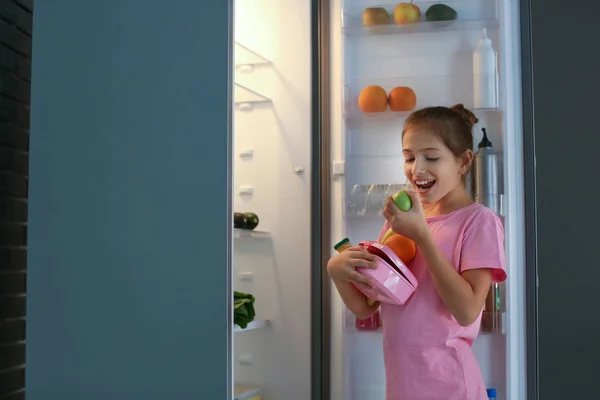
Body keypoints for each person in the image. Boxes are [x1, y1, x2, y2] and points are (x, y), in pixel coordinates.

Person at [326, 104, 507, 400]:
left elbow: (467, 311)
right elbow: (367, 306)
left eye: (431, 157)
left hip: (452, 388)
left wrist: (422, 236)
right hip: (402, 386)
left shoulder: (478, 221)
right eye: (409, 157)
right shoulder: (399, 219)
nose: (417, 169)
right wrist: (337, 271)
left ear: (463, 161)